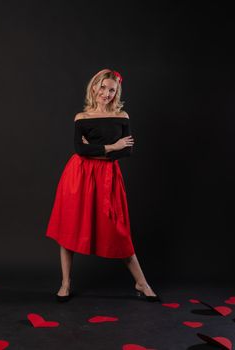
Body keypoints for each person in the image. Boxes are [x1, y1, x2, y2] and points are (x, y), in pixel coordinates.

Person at [46, 68, 160, 302]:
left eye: (112, 90)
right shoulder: (81, 118)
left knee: (118, 229)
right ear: (94, 86)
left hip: (108, 177)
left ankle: (141, 282)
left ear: (116, 93)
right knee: (71, 226)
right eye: (103, 87)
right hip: (78, 176)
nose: (106, 93)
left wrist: (98, 149)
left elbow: (126, 151)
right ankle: (65, 283)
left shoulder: (123, 117)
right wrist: (111, 146)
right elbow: (80, 150)